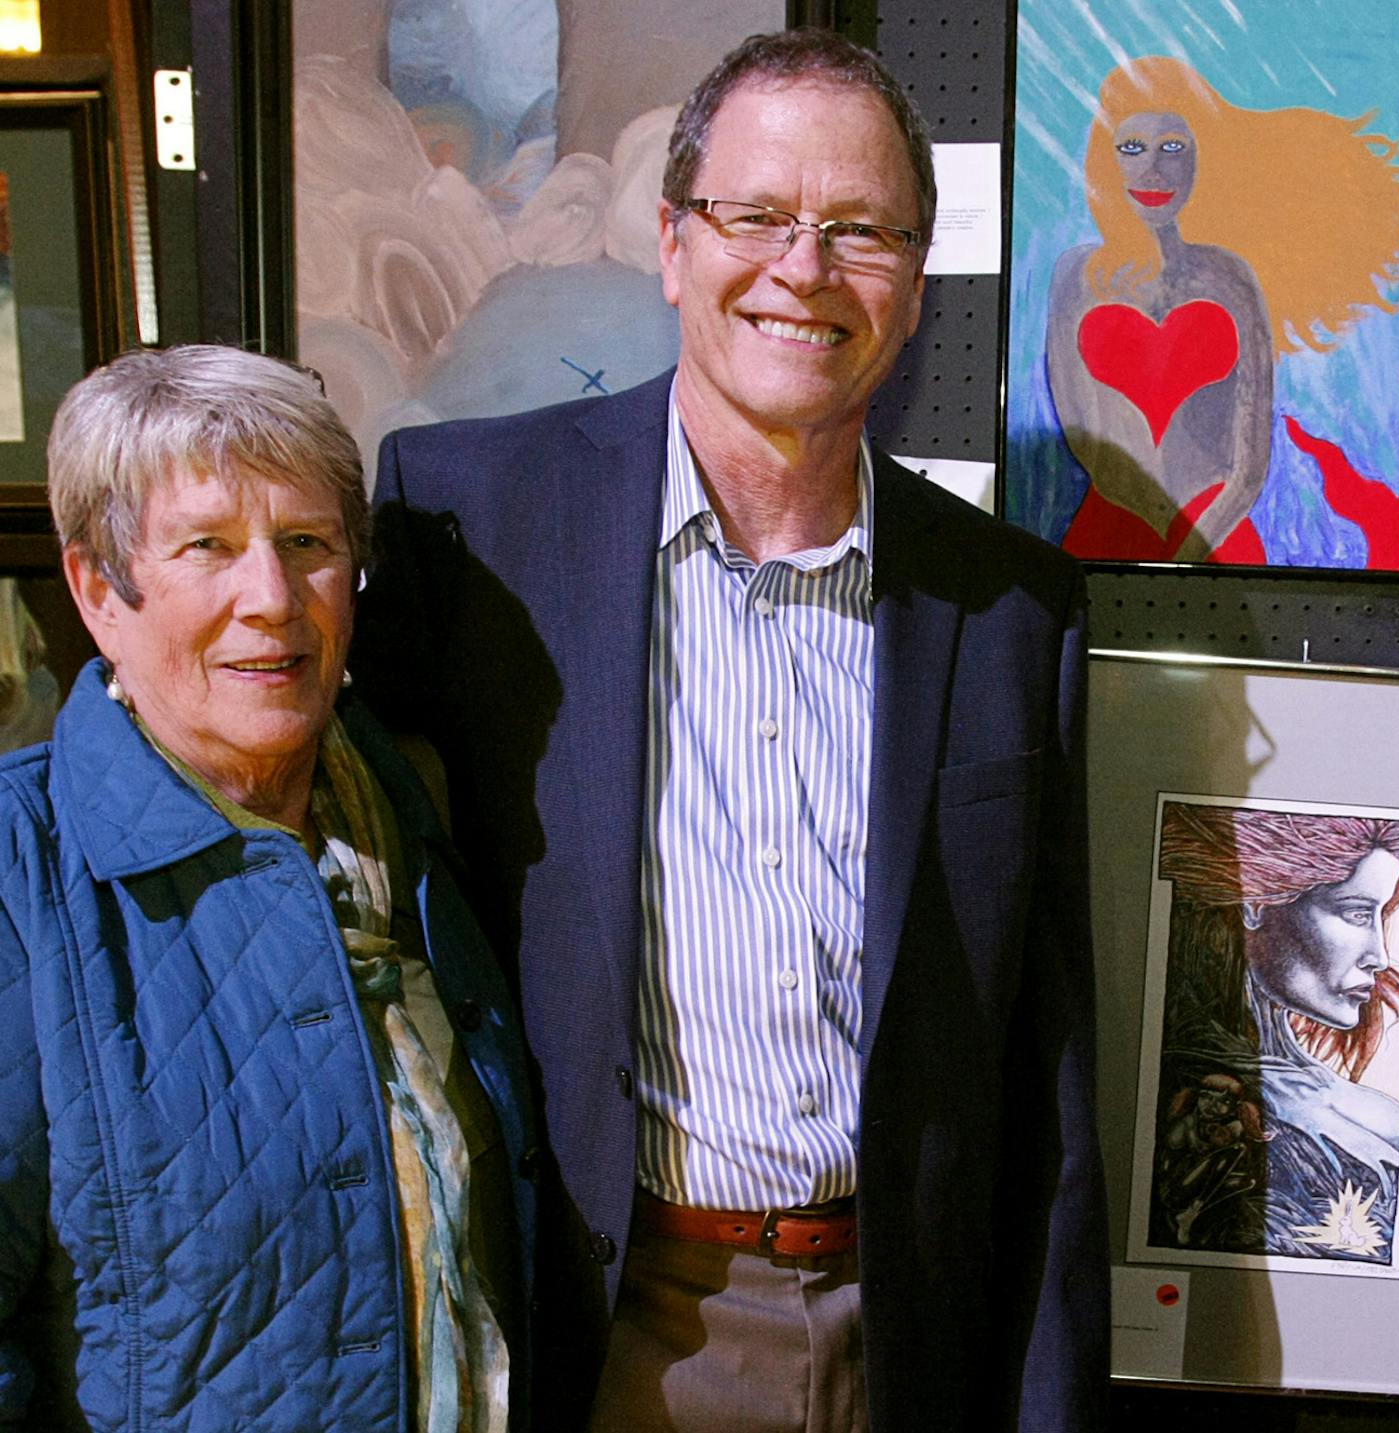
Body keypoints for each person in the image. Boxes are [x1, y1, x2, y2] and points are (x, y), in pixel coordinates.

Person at [354, 27, 1107, 1432]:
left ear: (915, 276)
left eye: (859, 230)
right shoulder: (468, 534)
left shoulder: (1013, 611)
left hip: (914, 1337)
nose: (803, 270)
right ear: (673, 242)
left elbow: (1046, 1077)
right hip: (604, 1327)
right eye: (756, 216)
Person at [0, 345, 536, 1430]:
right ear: (99, 588)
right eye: (208, 547)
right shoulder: (21, 867)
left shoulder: (414, 816)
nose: (272, 599)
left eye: (307, 543)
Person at [1045, 55, 1399, 564]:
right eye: (1132, 148)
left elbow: (1251, 460)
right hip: (1108, 530)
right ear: (1105, 159)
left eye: (1174, 148)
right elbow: (1081, 434)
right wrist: (1151, 535)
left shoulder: (1230, 277)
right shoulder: (1076, 276)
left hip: (1220, 538)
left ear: (1202, 159)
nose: (1153, 168)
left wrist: (1188, 549)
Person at [1148, 801, 1399, 1264]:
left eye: (1381, 917)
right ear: (1256, 904)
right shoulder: (1188, 1094)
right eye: (1357, 914)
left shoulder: (1353, 1109)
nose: (1378, 955)